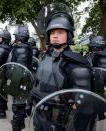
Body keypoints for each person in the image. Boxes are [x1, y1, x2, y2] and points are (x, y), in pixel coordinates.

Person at [30, 3, 93, 131]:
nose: (55, 35)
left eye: (60, 32)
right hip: (38, 114)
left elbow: (82, 103)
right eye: (52, 32)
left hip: (59, 121)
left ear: (68, 35)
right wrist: (29, 102)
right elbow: (37, 83)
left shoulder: (74, 63)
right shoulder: (45, 57)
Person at [8, 25, 33, 130]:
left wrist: (14, 84)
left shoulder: (21, 49)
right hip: (21, 81)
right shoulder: (22, 47)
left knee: (18, 106)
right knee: (20, 104)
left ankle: (17, 126)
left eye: (16, 35)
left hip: (20, 82)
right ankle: (20, 122)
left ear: (19, 36)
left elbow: (20, 69)